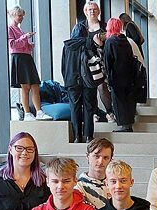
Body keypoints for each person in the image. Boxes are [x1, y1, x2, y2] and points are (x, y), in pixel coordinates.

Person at [65, 1, 108, 143]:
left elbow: (64, 65)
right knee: (83, 106)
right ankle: (83, 135)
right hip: (83, 75)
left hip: (82, 75)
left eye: (94, 9)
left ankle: (83, 136)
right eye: (89, 9)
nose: (92, 11)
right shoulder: (84, 36)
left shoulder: (104, 27)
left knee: (82, 106)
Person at [7, 6, 50, 121]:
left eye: (22, 16)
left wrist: (29, 45)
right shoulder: (10, 29)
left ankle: (39, 111)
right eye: (19, 15)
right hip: (19, 58)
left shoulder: (19, 30)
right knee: (25, 87)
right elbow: (12, 45)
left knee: (35, 84)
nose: (21, 18)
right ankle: (27, 113)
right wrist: (24, 37)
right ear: (13, 16)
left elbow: (20, 44)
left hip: (26, 57)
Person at [103, 18, 138, 132]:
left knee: (118, 101)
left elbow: (107, 62)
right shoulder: (125, 41)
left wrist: (108, 78)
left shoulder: (110, 42)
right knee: (127, 100)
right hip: (128, 76)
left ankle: (123, 125)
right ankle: (129, 124)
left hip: (116, 77)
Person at [76, 138, 113, 209]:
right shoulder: (78, 187)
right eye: (96, 156)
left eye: (105, 158)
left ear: (110, 160)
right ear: (87, 156)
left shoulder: (115, 184)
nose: (100, 161)